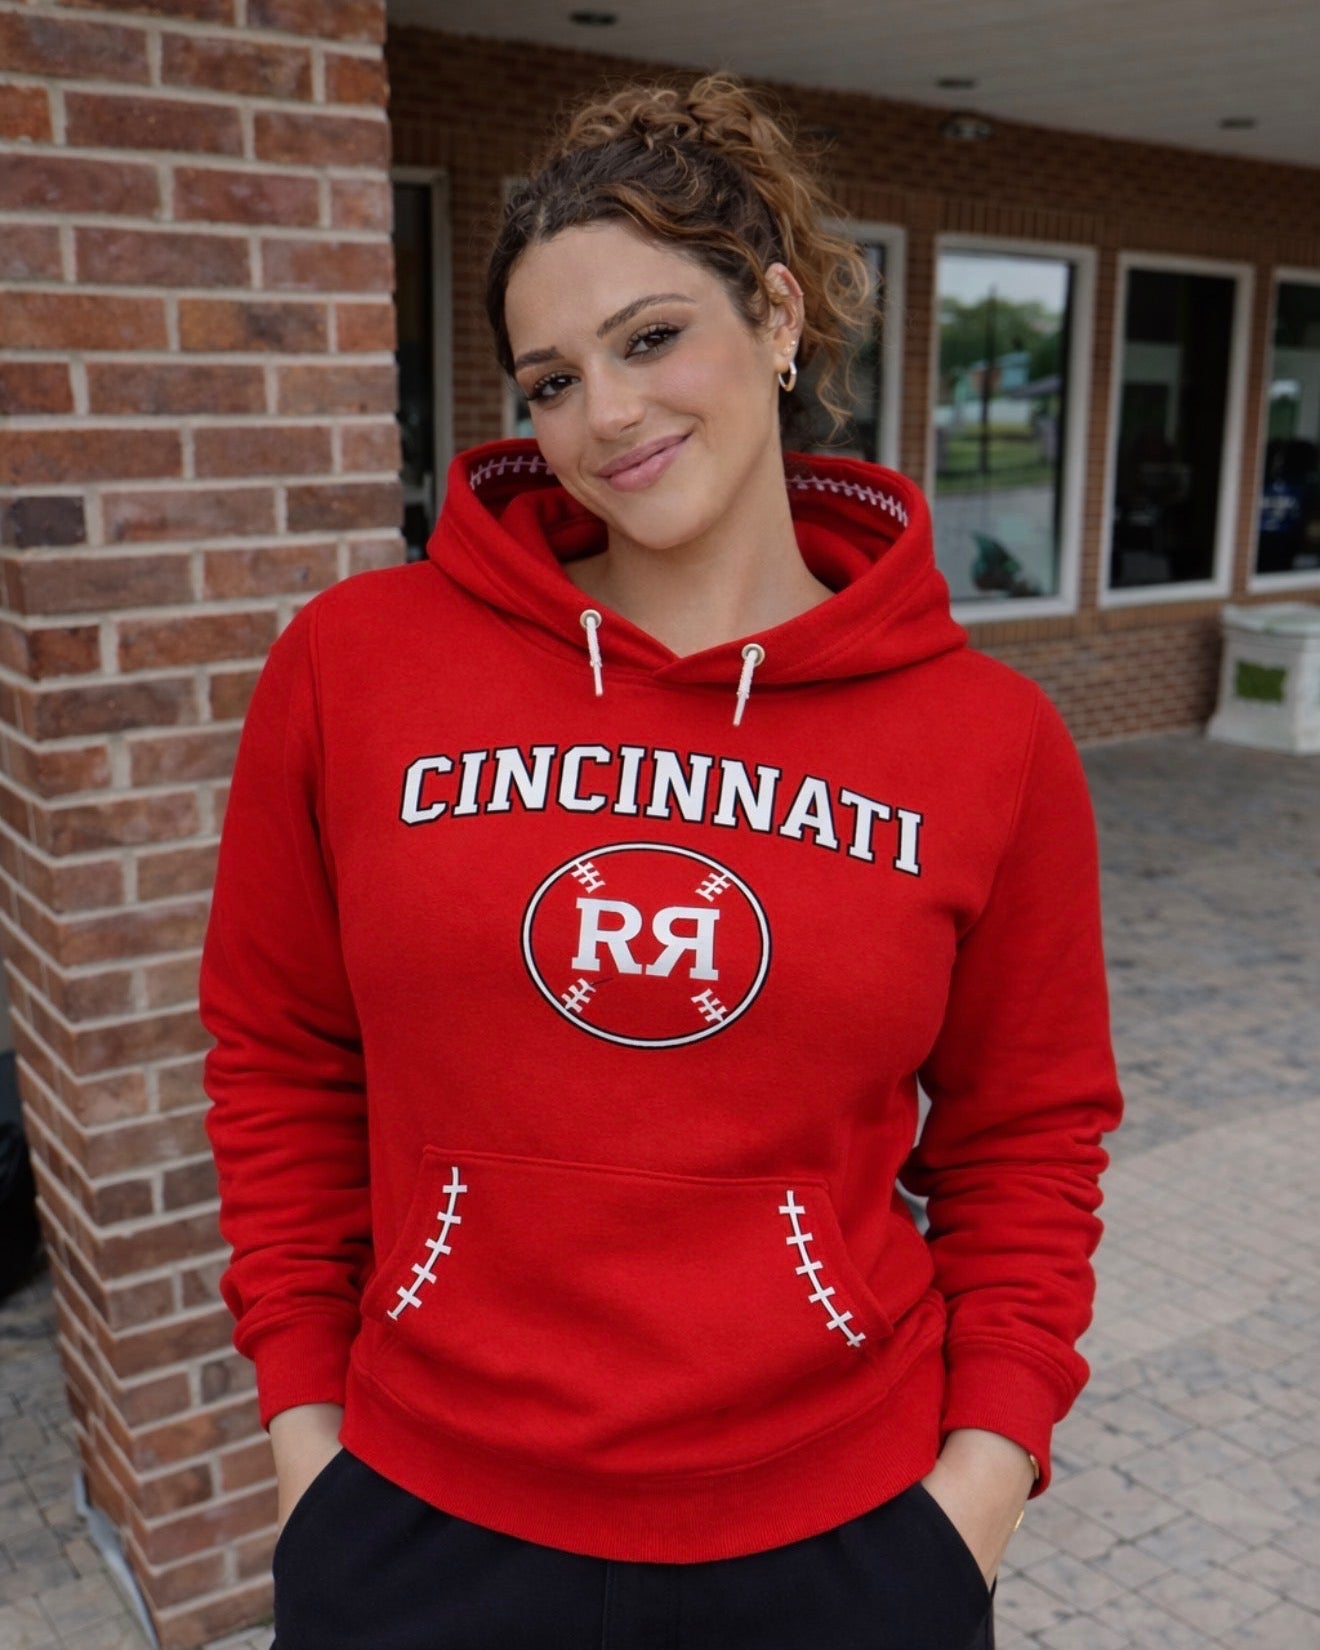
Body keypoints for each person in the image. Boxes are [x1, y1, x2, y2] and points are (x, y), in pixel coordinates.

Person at [200, 72, 1123, 1650]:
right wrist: (309, 1442)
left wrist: (977, 1488)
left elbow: (1030, 1141)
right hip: (422, 1517)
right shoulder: (358, 666)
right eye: (546, 380)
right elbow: (280, 1054)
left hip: (838, 1538)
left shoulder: (990, 739)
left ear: (775, 319)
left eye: (648, 340)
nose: (602, 417)